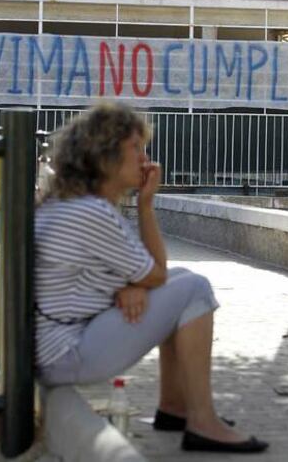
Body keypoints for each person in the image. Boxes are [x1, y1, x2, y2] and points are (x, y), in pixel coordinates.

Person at [34, 102, 268, 453]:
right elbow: (155, 272)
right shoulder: (91, 212)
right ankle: (203, 422)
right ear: (105, 156)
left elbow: (119, 275)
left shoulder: (71, 205)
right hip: (66, 354)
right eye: (135, 148)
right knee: (194, 288)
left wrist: (133, 284)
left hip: (53, 349)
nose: (146, 159)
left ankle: (174, 408)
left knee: (183, 277)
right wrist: (146, 206)